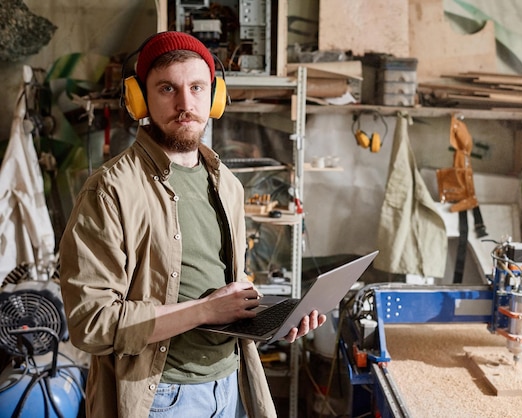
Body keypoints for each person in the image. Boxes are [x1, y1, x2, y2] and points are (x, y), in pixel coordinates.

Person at [59, 31, 325, 418]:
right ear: (140, 100)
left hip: (228, 383)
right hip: (163, 395)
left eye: (197, 87)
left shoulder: (226, 183)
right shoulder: (109, 191)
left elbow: (224, 283)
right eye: (167, 88)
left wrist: (275, 318)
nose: (185, 103)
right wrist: (203, 311)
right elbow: (92, 324)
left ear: (214, 97)